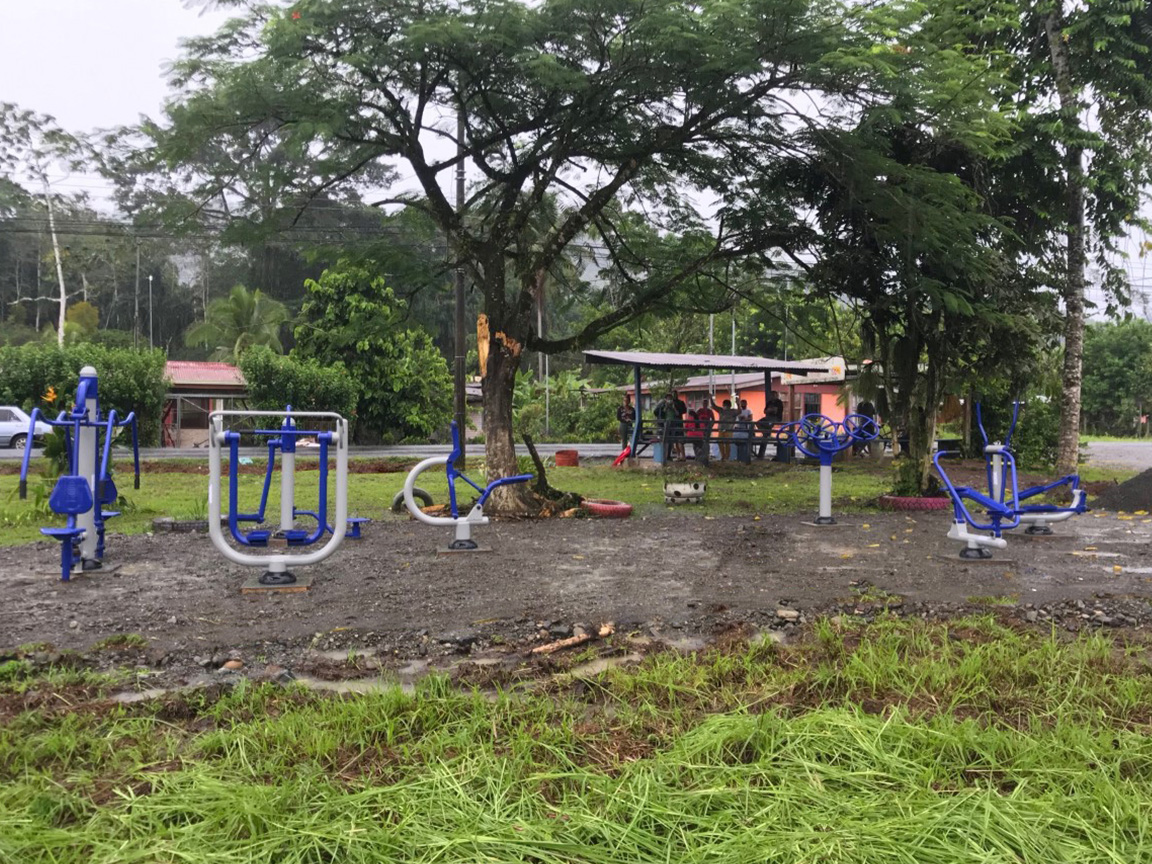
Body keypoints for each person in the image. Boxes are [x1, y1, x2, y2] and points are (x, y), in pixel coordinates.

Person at [708, 395, 740, 460]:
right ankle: (723, 456)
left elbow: (739, 411)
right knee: (720, 442)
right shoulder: (721, 410)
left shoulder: (733, 411)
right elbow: (714, 406)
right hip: (721, 429)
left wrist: (738, 403)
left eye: (726, 405)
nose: (725, 407)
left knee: (727, 443)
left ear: (729, 406)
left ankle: (726, 457)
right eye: (724, 405)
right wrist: (711, 399)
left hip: (729, 429)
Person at [734, 399, 753, 463]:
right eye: (741, 404)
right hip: (738, 427)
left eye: (744, 403)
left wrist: (745, 418)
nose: (743, 405)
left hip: (746, 427)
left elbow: (751, 418)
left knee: (745, 442)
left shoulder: (748, 410)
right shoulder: (738, 411)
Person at [671, 390, 688, 460]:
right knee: (675, 441)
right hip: (673, 423)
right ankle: (678, 455)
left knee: (679, 440)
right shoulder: (671, 403)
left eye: (675, 394)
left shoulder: (680, 403)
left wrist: (675, 409)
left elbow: (684, 411)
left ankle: (683, 456)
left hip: (678, 422)